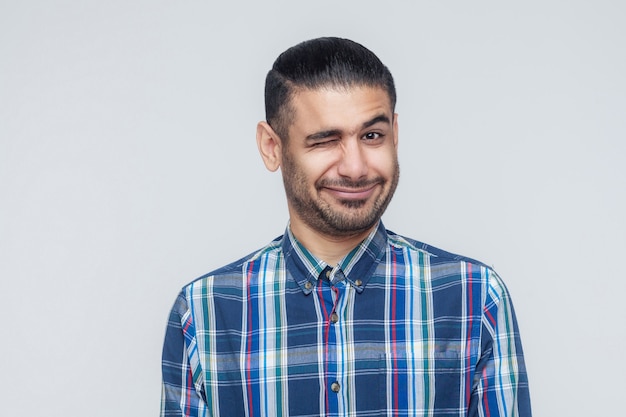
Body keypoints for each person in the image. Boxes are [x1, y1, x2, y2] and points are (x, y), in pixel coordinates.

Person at [160, 37, 531, 417]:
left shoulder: (475, 297)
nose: (355, 167)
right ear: (272, 147)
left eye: (372, 136)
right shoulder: (203, 313)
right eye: (325, 140)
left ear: (395, 134)